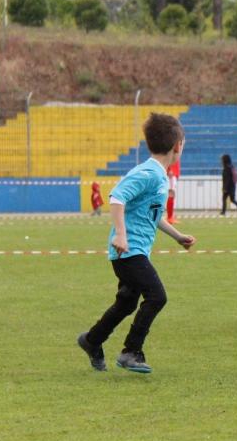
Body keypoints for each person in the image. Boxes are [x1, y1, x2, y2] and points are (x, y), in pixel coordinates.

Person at [76, 113, 196, 373]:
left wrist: (177, 236)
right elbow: (117, 196)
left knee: (127, 303)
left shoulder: (159, 175)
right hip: (129, 251)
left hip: (132, 251)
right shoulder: (149, 173)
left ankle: (92, 340)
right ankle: (131, 351)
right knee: (157, 296)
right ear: (178, 145)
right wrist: (121, 234)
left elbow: (152, 215)